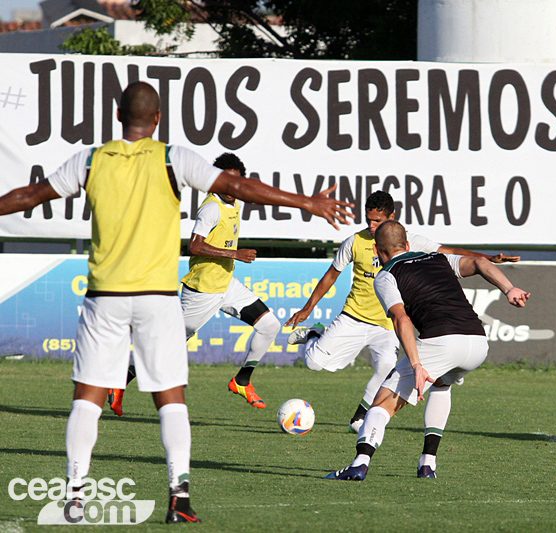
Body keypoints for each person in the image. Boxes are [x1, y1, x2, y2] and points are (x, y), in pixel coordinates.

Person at [0, 82, 352, 523]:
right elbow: (238, 184)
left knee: (85, 398)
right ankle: (179, 496)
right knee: (171, 399)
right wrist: (308, 204)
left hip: (105, 296)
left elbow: (30, 195)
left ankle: (74, 495)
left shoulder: (91, 160)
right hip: (158, 298)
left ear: (117, 116)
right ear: (159, 118)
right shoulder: (173, 157)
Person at [285, 191, 520, 433]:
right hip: (354, 317)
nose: (372, 226)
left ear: (392, 217)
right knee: (313, 364)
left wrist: (488, 258)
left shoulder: (409, 241)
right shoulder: (354, 242)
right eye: (368, 220)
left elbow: (449, 253)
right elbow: (331, 275)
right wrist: (307, 308)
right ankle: (316, 335)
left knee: (387, 369)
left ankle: (359, 419)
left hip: (387, 324)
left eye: (377, 221)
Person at [326, 220, 529, 480]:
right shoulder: (437, 258)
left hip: (442, 343)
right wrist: (509, 288)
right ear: (407, 244)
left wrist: (416, 364)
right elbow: (479, 262)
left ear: (376, 251)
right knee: (442, 385)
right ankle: (427, 464)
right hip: (477, 342)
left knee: (381, 405)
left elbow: (401, 320)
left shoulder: (386, 276)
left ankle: (359, 464)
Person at [107, 153, 281, 415]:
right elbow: (194, 246)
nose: (231, 188)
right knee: (167, 347)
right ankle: (121, 380)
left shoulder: (235, 203)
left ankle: (242, 381)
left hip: (226, 285)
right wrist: (235, 254)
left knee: (269, 325)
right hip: (202, 292)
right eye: (225, 182)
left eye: (236, 183)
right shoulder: (211, 208)